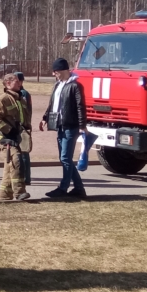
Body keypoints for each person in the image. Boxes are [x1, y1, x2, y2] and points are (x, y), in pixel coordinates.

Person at [42, 57, 87, 200]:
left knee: (65, 158)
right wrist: (45, 118)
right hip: (59, 125)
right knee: (65, 158)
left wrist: (82, 125)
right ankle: (79, 189)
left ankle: (63, 188)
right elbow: (52, 104)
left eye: (56, 72)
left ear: (64, 70)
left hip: (71, 126)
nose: (54, 74)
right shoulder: (57, 85)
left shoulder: (75, 86)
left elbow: (81, 106)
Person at [0, 73, 31, 201]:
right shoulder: (1, 100)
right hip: (6, 138)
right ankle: (19, 192)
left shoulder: (21, 99)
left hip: (18, 137)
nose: (19, 83)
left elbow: (24, 118)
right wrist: (9, 130)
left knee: (9, 167)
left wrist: (25, 131)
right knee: (16, 161)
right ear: (8, 83)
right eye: (16, 81)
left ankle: (4, 195)